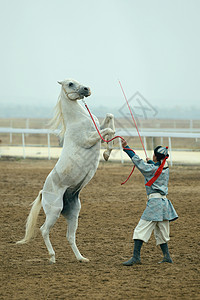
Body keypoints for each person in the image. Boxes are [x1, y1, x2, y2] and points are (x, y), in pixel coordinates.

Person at [122, 139, 178, 266]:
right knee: (162, 232)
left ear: (155, 156)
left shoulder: (152, 169)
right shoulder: (165, 167)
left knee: (140, 230)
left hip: (155, 204)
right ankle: (167, 256)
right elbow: (157, 168)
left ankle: (136, 257)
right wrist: (152, 162)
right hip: (164, 205)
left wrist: (127, 148)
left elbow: (139, 163)